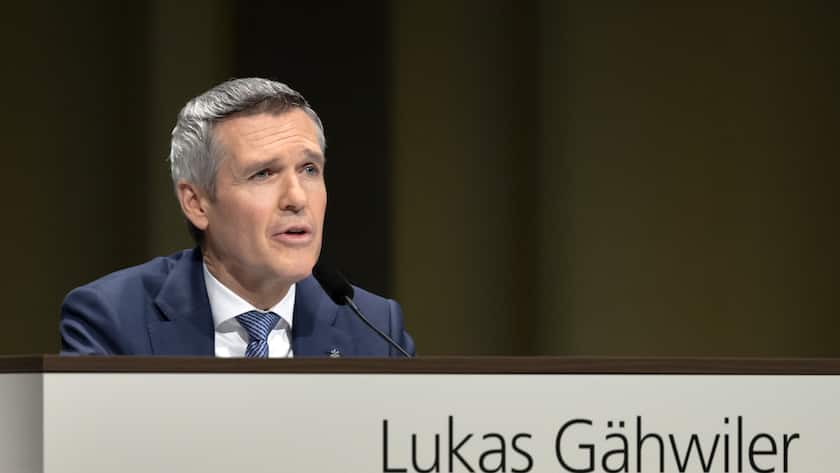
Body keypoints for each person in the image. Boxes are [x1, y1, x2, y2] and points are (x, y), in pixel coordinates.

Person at [59, 78, 414, 357]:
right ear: (196, 203)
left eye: (309, 169)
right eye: (263, 174)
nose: (296, 198)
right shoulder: (113, 319)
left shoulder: (374, 328)